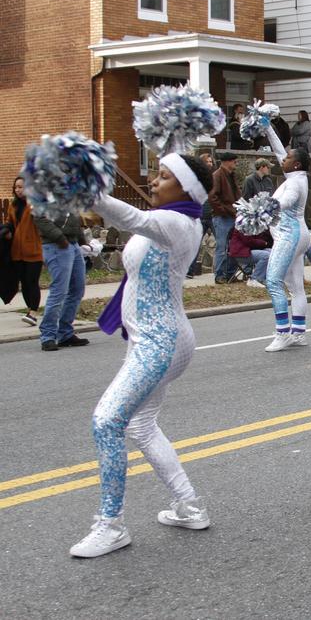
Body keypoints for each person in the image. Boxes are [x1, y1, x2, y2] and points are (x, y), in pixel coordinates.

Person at [70, 152, 214, 558]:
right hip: (157, 338)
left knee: (107, 421)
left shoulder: (176, 222)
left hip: (159, 342)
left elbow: (131, 218)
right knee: (140, 425)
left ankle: (110, 525)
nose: (153, 180)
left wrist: (92, 192)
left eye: (164, 176)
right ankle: (188, 506)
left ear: (186, 189)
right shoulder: (175, 218)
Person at [262, 126, 311, 351]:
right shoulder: (296, 175)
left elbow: (288, 201)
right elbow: (279, 150)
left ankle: (283, 333)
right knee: (296, 288)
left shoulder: (294, 182)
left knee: (273, 281)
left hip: (289, 236)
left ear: (297, 164)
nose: (283, 159)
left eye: (289, 158)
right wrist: (267, 127)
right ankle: (298, 333)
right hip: (300, 235)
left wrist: (264, 209)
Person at [34, 208, 87, 351]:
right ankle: (48, 336)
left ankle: (65, 333)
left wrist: (83, 241)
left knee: (77, 289)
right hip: (56, 245)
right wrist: (59, 238)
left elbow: (73, 218)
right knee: (59, 291)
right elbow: (39, 218)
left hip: (73, 244)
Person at [2, 176, 44, 325]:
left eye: (21, 187)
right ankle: (30, 310)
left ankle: (33, 312)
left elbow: (43, 222)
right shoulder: (13, 206)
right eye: (16, 187)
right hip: (17, 251)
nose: (18, 190)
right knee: (24, 283)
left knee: (32, 282)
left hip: (33, 250)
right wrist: (6, 230)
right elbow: (9, 222)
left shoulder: (35, 204)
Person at [208, 152, 239, 283]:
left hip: (232, 215)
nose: (235, 164)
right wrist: (223, 211)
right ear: (227, 162)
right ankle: (219, 275)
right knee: (221, 247)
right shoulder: (217, 175)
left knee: (233, 246)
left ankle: (230, 274)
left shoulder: (231, 176)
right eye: (233, 161)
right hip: (222, 217)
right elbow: (212, 197)